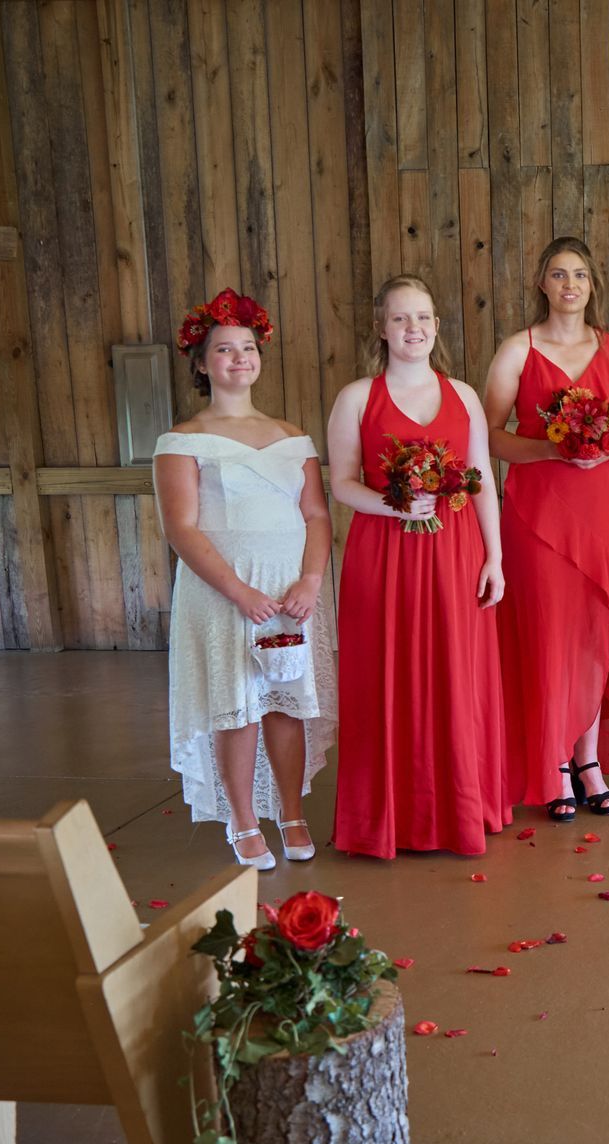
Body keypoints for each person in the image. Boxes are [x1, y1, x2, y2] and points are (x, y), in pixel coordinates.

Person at [327, 274, 510, 858]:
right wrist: (395, 502)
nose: (414, 329)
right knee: (390, 675)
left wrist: (496, 558)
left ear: (437, 326)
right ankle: (390, 817)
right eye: (402, 318)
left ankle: (460, 806)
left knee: (457, 675)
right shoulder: (357, 397)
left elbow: (481, 482)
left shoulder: (464, 395)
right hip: (385, 554)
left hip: (456, 554)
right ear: (382, 329)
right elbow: (341, 484)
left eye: (424, 317)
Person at [155, 289, 335, 869]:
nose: (240, 358)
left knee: (285, 701)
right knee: (239, 705)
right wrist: (239, 592)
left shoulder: (291, 435)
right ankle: (241, 819)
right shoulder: (181, 440)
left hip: (288, 587)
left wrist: (309, 580)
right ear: (202, 363)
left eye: (248, 347)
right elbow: (182, 528)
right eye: (225, 350)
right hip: (225, 590)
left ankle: (291, 810)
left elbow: (316, 514)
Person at [482, 237, 609, 822]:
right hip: (536, 511)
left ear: (592, 284)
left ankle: (588, 761)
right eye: (558, 274)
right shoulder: (517, 350)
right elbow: (490, 437)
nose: (569, 284)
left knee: (592, 634)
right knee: (548, 633)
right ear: (543, 285)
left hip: (596, 509)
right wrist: (553, 448)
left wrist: (598, 447)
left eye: (579, 274)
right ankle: (551, 761)